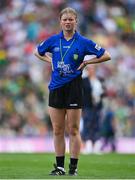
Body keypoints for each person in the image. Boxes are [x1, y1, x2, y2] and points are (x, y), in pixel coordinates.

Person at [34, 7, 111, 176]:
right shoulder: (53, 40)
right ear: (60, 22)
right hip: (56, 88)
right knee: (57, 129)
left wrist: (86, 63)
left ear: (76, 21)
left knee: (74, 129)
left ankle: (73, 167)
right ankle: (60, 167)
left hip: (74, 88)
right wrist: (50, 61)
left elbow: (106, 55)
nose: (68, 22)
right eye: (65, 19)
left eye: (71, 19)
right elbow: (37, 51)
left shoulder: (83, 42)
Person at [81, 65, 105, 154]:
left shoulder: (99, 80)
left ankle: (96, 146)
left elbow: (103, 93)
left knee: (96, 125)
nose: (91, 71)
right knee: (87, 125)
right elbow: (82, 95)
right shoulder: (84, 81)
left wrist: (100, 95)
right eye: (90, 69)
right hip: (88, 106)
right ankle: (87, 146)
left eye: (93, 69)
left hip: (97, 107)